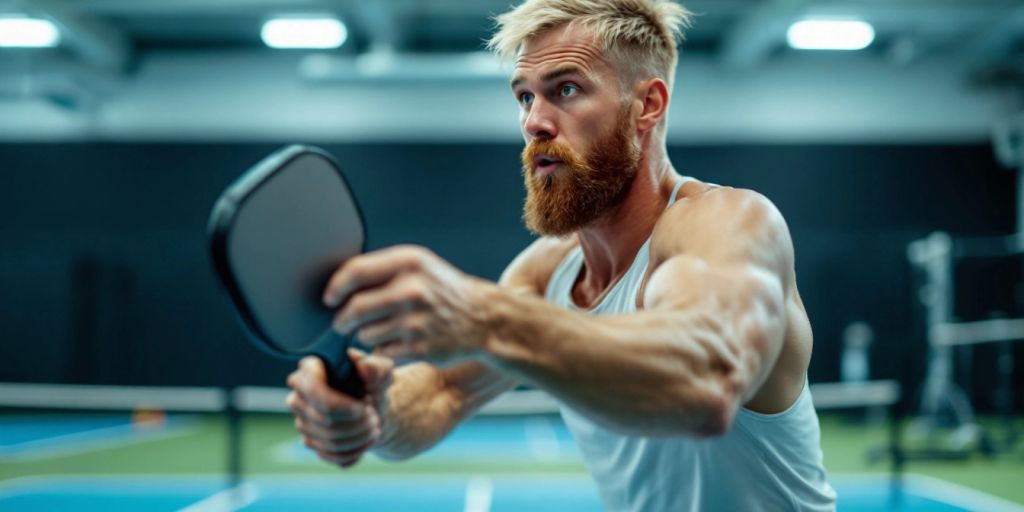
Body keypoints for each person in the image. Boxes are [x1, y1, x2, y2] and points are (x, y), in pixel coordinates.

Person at [286, 0, 837, 509]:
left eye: (566, 89)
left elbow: (706, 379)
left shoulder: (727, 223)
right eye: (525, 96)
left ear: (647, 104)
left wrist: (484, 317)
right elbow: (444, 390)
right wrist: (373, 411)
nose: (534, 122)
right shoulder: (548, 271)